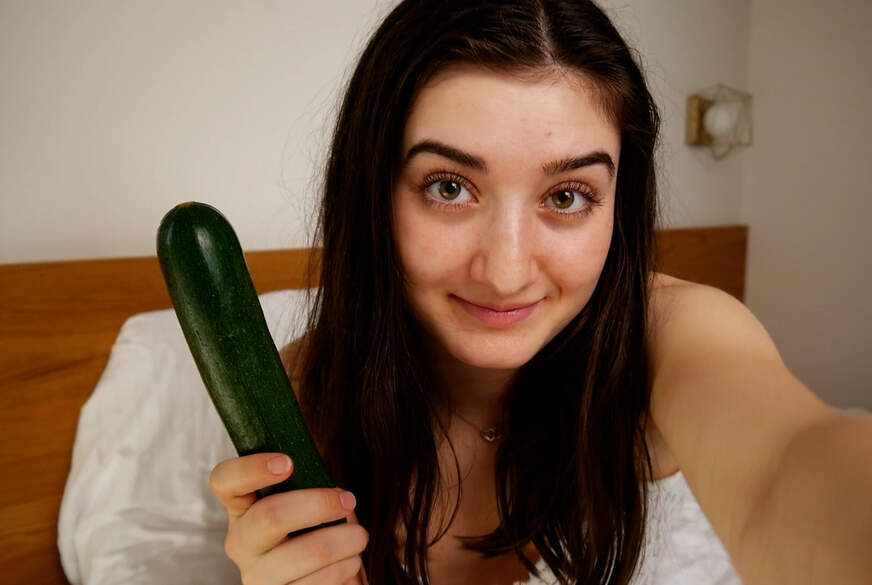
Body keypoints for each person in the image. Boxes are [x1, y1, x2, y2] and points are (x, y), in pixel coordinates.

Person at [208, 1, 872, 585]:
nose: (506, 271)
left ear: (618, 205)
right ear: (373, 193)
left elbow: (786, 466)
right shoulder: (304, 393)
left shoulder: (674, 335)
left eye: (567, 196)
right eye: (448, 187)